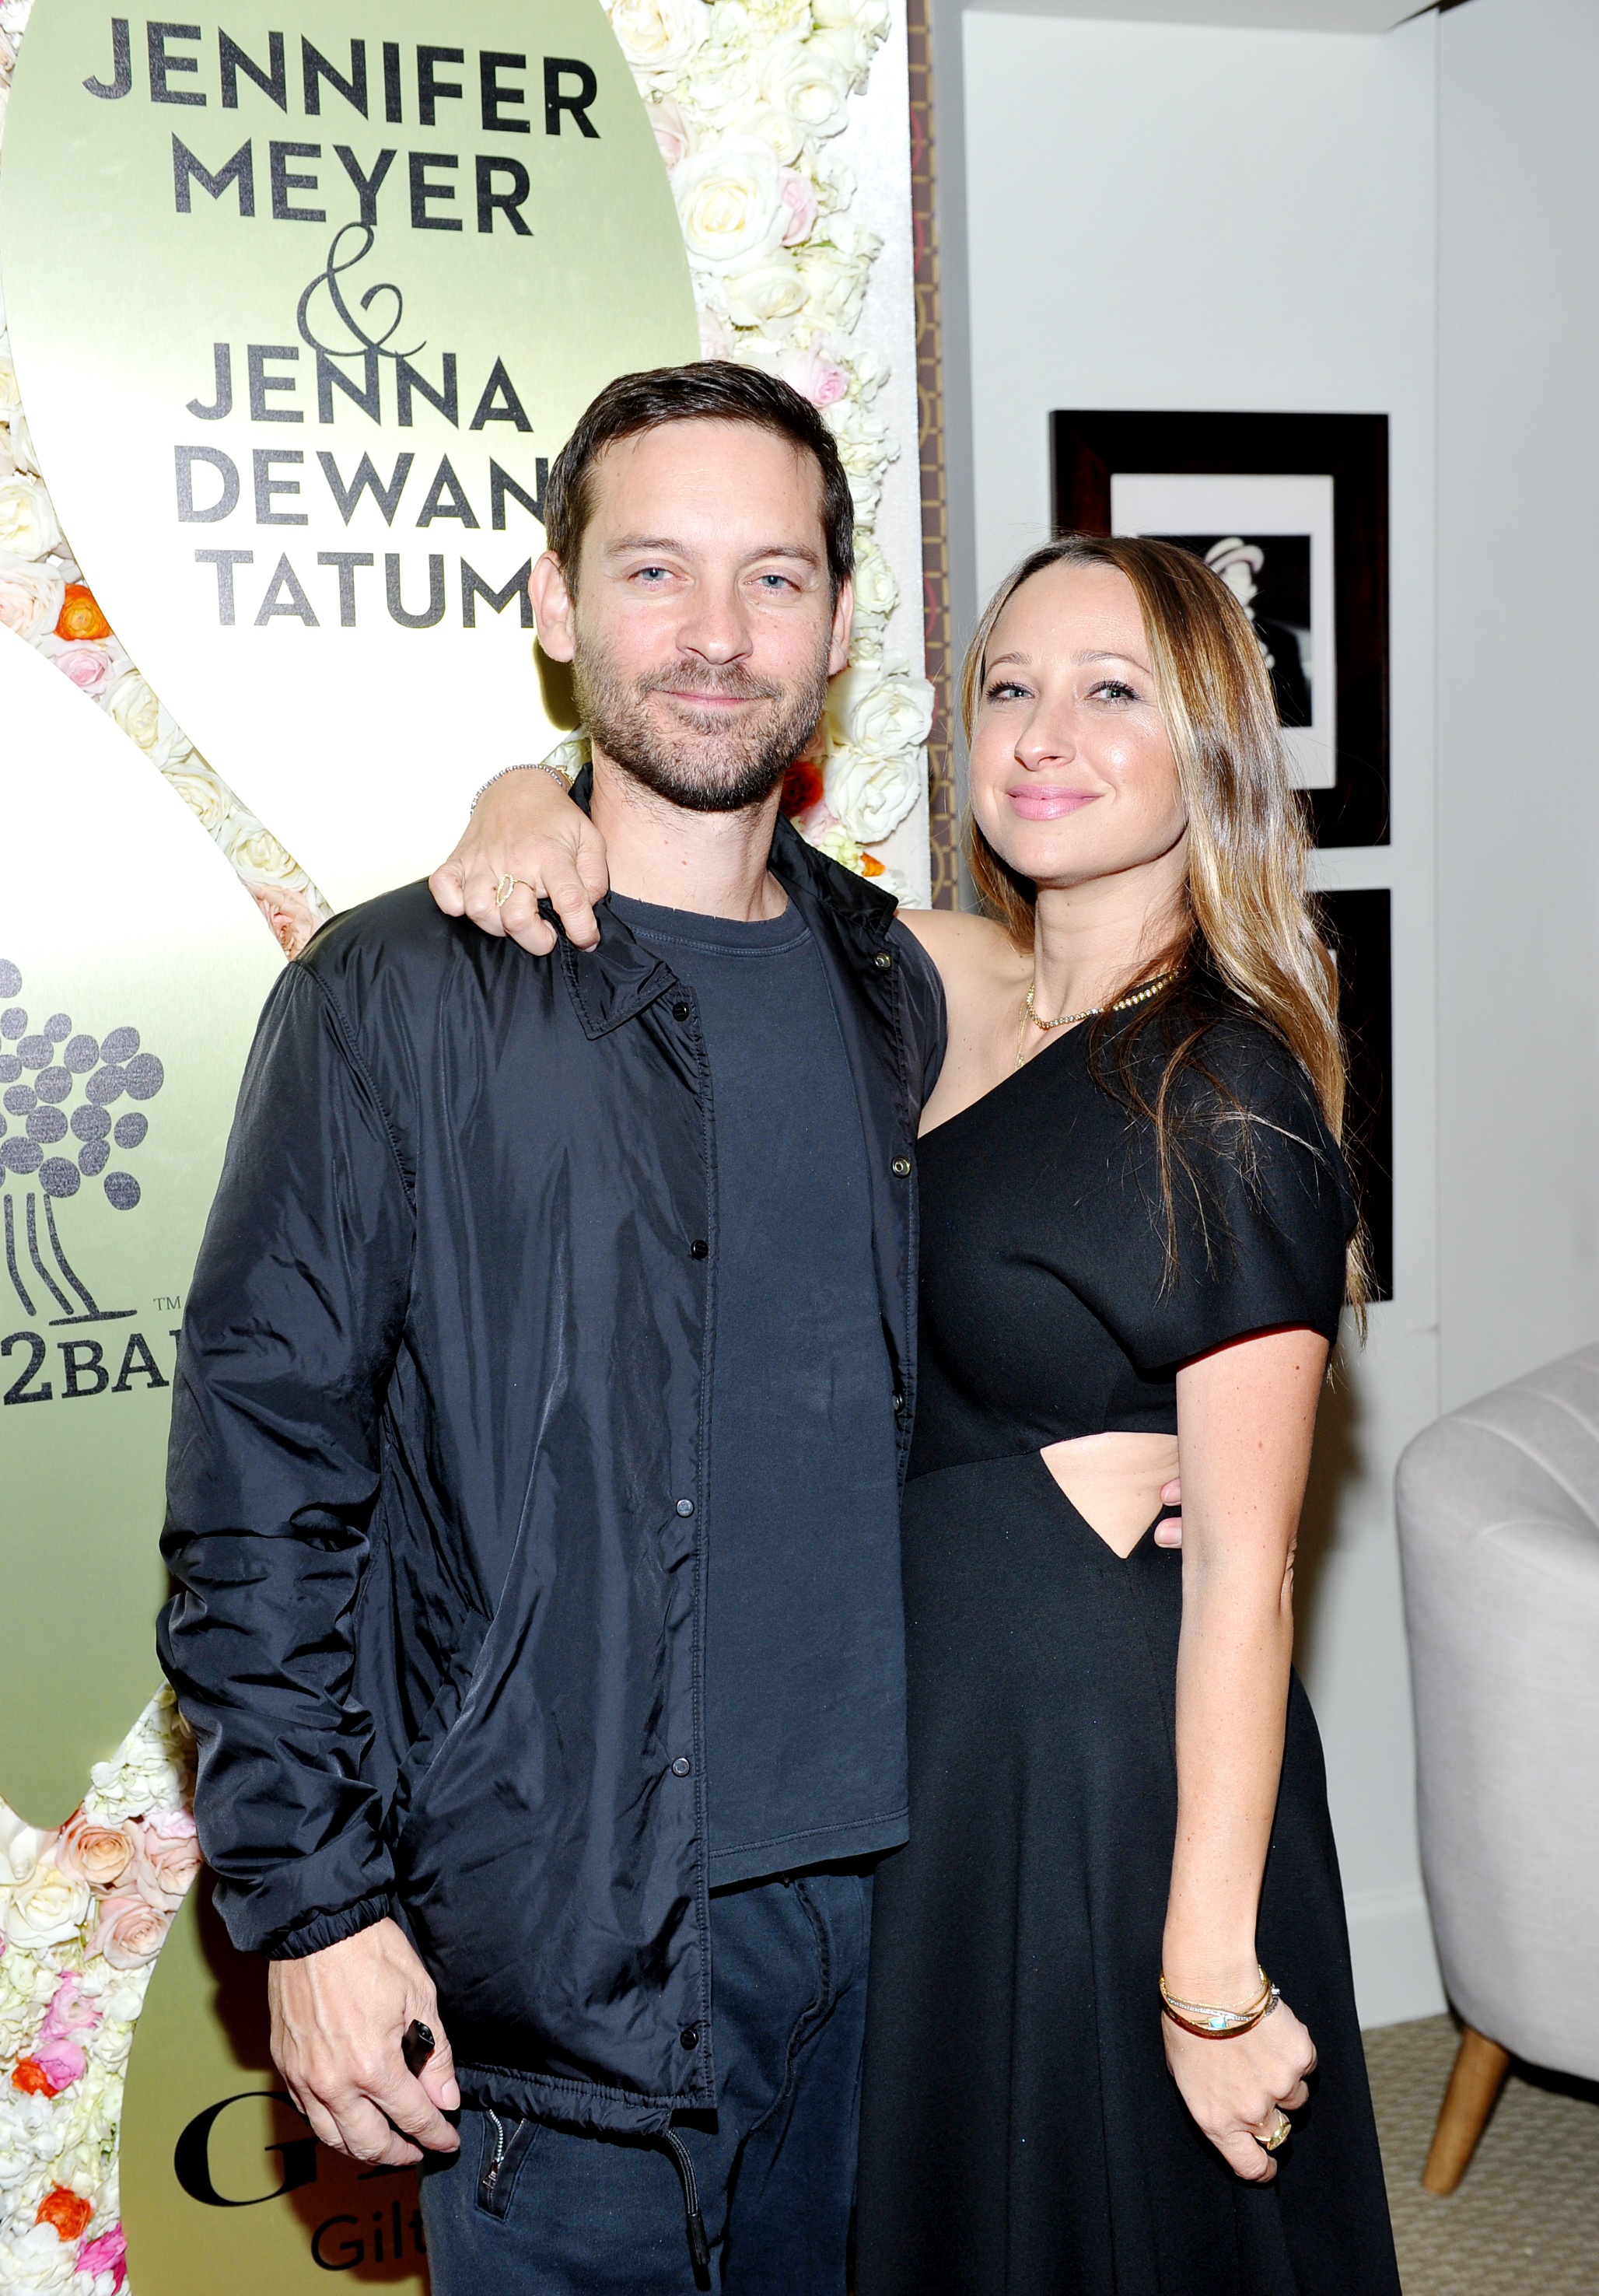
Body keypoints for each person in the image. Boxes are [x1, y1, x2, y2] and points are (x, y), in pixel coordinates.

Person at [444, 533, 1401, 2291]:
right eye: (1008, 690)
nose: (1041, 733)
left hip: (1098, 1772)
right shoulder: (951, 986)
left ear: (1207, 746)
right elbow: (713, 878)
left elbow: (1248, 1578)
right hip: (921, 1759)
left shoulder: (1231, 1086)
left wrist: (1207, 1963)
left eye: (1112, 693)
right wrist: (528, 785)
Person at [157, 362, 950, 2296]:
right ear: (551, 602)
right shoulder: (396, 999)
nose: (712, 635)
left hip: (895, 1925)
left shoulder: (884, 982)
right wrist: (315, 1912)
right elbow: (261, 1490)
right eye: (654, 570)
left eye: (771, 580)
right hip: (565, 1968)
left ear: (838, 630)